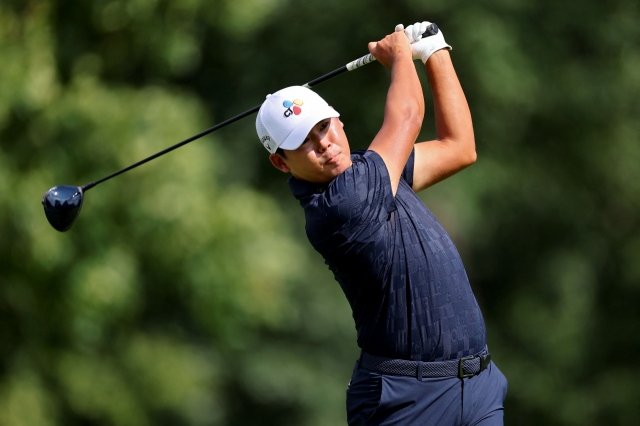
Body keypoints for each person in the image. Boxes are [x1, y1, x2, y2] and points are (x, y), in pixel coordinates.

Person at [256, 21, 507, 426]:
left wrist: (436, 51)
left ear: (339, 121)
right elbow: (407, 115)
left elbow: (459, 147)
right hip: (406, 401)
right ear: (281, 162)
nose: (323, 143)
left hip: (477, 387)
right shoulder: (340, 205)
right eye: (304, 140)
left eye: (323, 126)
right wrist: (400, 55)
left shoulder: (373, 173)